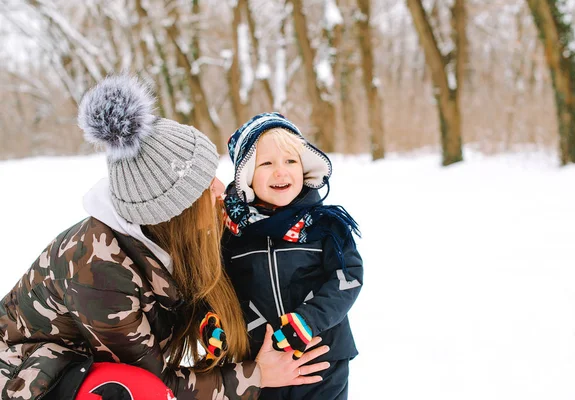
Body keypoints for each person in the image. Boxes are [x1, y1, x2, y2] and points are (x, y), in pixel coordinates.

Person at [0, 76, 329, 400]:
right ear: (178, 211)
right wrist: (257, 376)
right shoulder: (98, 269)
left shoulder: (166, 237)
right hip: (28, 378)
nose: (220, 188)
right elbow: (157, 382)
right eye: (204, 184)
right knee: (135, 390)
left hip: (76, 369)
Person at [221, 112, 363, 399]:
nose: (281, 172)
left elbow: (347, 280)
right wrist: (216, 326)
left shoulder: (325, 225)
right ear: (247, 175)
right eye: (267, 164)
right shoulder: (233, 235)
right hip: (261, 361)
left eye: (290, 161)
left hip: (323, 357)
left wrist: (308, 320)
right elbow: (221, 289)